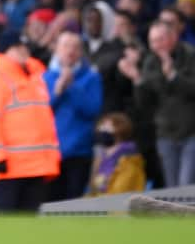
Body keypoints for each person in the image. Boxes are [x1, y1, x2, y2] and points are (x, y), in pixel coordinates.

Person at [0, 29, 60, 211]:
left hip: (37, 167)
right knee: (4, 230)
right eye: (16, 46)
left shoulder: (37, 78)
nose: (22, 50)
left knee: (27, 230)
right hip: (7, 169)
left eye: (24, 45)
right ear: (4, 50)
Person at [118, 20, 195, 187]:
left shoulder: (190, 55)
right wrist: (136, 78)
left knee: (187, 186)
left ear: (173, 36)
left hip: (191, 133)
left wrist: (173, 77)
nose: (156, 45)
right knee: (173, 189)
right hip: (165, 134)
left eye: (160, 40)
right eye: (152, 41)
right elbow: (145, 103)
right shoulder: (151, 62)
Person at [43, 31, 103, 201]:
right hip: (51, 152)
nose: (71, 50)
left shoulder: (91, 77)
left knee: (73, 203)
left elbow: (93, 110)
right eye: (66, 46)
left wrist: (72, 87)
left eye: (76, 47)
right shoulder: (45, 77)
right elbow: (42, 111)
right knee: (50, 203)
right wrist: (58, 90)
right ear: (56, 49)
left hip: (79, 152)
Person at [87, 112, 146, 196]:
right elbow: (94, 191)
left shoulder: (129, 160)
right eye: (101, 127)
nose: (101, 130)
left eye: (106, 127)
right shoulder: (102, 160)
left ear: (120, 130)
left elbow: (119, 193)